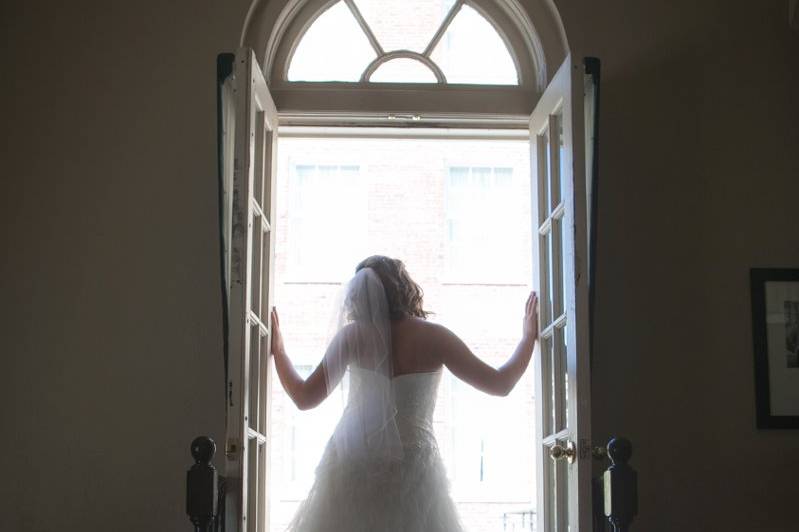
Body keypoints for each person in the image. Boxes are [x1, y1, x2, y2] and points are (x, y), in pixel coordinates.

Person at [270, 255, 539, 532]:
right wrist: (527, 339)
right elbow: (500, 383)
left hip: (353, 468)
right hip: (413, 469)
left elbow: (303, 398)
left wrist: (279, 351)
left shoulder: (352, 338)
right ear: (403, 287)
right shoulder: (436, 337)